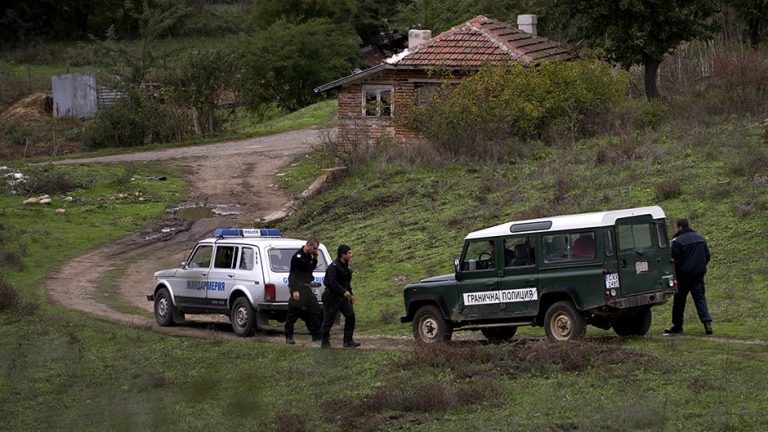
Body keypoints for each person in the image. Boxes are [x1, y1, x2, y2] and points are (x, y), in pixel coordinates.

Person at [665, 219, 713, 335]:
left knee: (679, 302)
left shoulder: (677, 241)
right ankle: (707, 324)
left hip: (683, 277)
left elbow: (673, 260)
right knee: (700, 299)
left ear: (680, 227)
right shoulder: (701, 238)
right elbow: (707, 256)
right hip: (698, 275)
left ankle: (677, 326)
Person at [320, 244, 360, 348]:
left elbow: (346, 282)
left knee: (350, 316)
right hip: (331, 297)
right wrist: (343, 291)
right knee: (329, 319)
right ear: (343, 254)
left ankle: (348, 341)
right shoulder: (333, 267)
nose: (351, 255)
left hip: (342, 297)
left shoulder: (346, 266)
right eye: (349, 253)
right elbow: (331, 283)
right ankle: (324, 342)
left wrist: (351, 294)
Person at [284, 237, 322, 344]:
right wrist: (294, 290)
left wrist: (314, 258)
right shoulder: (297, 257)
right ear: (308, 245)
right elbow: (293, 275)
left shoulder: (309, 256)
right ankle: (289, 336)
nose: (316, 250)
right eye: (314, 248)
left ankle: (316, 335)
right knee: (293, 313)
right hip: (298, 288)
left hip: (307, 288)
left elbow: (309, 270)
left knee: (315, 310)